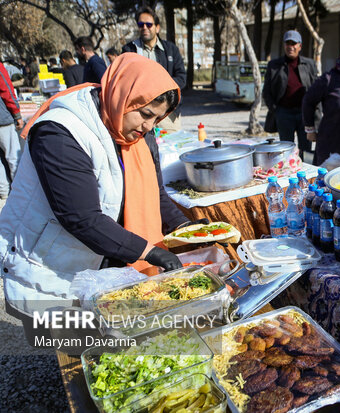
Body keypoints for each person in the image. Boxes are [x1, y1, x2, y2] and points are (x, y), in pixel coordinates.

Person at [0, 54, 205, 343]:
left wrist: (188, 228)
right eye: (146, 114)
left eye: (157, 118)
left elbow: (155, 194)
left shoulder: (134, 131)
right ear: (124, 95)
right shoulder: (60, 131)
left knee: (121, 345)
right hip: (50, 270)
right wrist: (150, 252)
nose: (150, 126)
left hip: (101, 263)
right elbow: (81, 218)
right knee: (86, 350)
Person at [122, 6, 186, 132]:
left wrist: (159, 88)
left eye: (149, 24)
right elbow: (124, 80)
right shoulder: (129, 50)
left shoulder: (171, 49)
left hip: (167, 116)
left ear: (157, 27)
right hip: (138, 115)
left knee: (170, 150)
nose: (144, 27)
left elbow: (182, 78)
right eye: (141, 24)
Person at [263, 30, 318, 162]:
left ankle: (305, 175)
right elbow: (267, 91)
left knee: (306, 148)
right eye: (288, 43)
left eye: (294, 44)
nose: (290, 47)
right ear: (284, 45)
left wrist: (315, 112)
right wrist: (275, 110)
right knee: (286, 149)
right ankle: (289, 176)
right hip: (284, 113)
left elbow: (316, 89)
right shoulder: (274, 65)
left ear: (300, 46)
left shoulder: (309, 64)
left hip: (304, 114)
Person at [0, 62, 23, 199]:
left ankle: (3, 191)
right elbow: (6, 89)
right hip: (2, 119)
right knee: (13, 157)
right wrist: (17, 114)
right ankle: (19, 192)